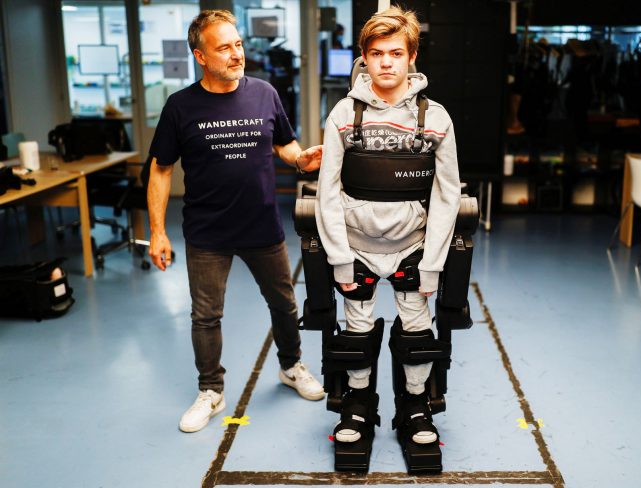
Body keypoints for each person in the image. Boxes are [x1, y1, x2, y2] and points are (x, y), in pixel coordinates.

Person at [147, 9, 325, 434]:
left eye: (238, 44)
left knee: (283, 303)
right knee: (206, 315)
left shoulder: (264, 93)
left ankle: (291, 366)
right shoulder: (180, 107)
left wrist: (300, 159)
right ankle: (211, 390)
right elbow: (160, 169)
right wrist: (156, 231)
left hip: (262, 225)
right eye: (224, 47)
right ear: (201, 56)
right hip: (208, 232)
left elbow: (284, 142)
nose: (236, 54)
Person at [315, 6, 461, 450]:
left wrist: (433, 263)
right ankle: (358, 402)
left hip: (411, 247)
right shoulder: (343, 113)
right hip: (356, 247)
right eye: (376, 53)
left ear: (412, 55)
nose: (386, 62)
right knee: (356, 329)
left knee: (417, 330)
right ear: (364, 56)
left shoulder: (435, 118)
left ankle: (415, 405)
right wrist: (339, 258)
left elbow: (447, 194)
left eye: (396, 52)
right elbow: (327, 191)